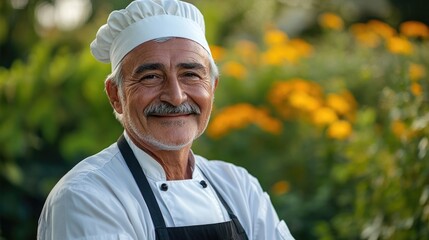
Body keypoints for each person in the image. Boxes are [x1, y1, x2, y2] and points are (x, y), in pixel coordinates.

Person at [37, 0, 295, 239]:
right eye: (151, 77)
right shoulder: (87, 196)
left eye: (191, 74)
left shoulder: (238, 186)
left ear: (212, 87)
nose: (175, 96)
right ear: (116, 95)